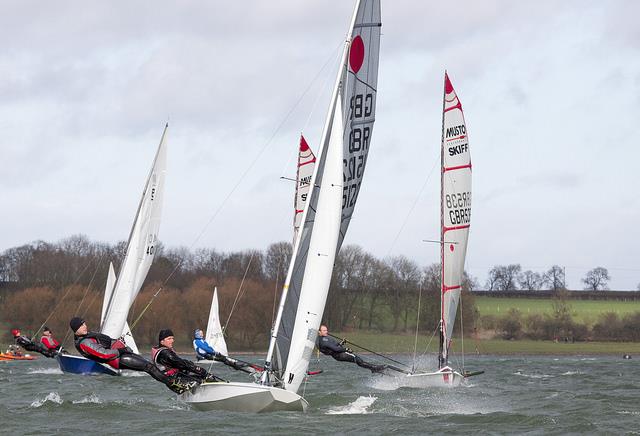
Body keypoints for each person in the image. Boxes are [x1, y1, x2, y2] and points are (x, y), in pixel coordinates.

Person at [69, 317, 195, 394]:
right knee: (149, 367)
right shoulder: (84, 342)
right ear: (76, 329)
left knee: (150, 366)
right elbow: (104, 355)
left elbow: (107, 342)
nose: (84, 326)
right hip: (117, 359)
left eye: (84, 323)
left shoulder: (87, 335)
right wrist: (121, 350)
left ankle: (180, 381)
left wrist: (120, 344)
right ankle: (177, 386)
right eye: (81, 325)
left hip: (121, 354)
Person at [153, 329, 222, 385]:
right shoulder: (165, 353)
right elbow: (180, 363)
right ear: (162, 341)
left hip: (175, 380)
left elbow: (179, 363)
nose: (172, 341)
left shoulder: (161, 351)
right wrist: (199, 370)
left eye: (172, 338)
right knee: (205, 379)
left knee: (202, 378)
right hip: (176, 380)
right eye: (169, 339)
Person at [316, 324, 386, 373]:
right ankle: (374, 368)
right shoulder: (323, 341)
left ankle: (373, 368)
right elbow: (336, 349)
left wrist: (342, 343)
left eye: (326, 330)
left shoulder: (324, 338)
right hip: (340, 354)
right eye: (324, 330)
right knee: (358, 360)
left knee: (358, 361)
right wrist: (346, 349)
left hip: (338, 355)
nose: (326, 332)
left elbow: (334, 347)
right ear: (319, 332)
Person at [193, 328, 260, 373]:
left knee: (224, 359)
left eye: (202, 333)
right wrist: (213, 352)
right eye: (201, 333)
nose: (202, 334)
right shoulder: (196, 341)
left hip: (210, 354)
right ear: (198, 334)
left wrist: (214, 351)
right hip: (207, 355)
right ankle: (238, 367)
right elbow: (204, 348)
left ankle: (238, 365)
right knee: (224, 359)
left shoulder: (202, 340)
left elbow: (208, 347)